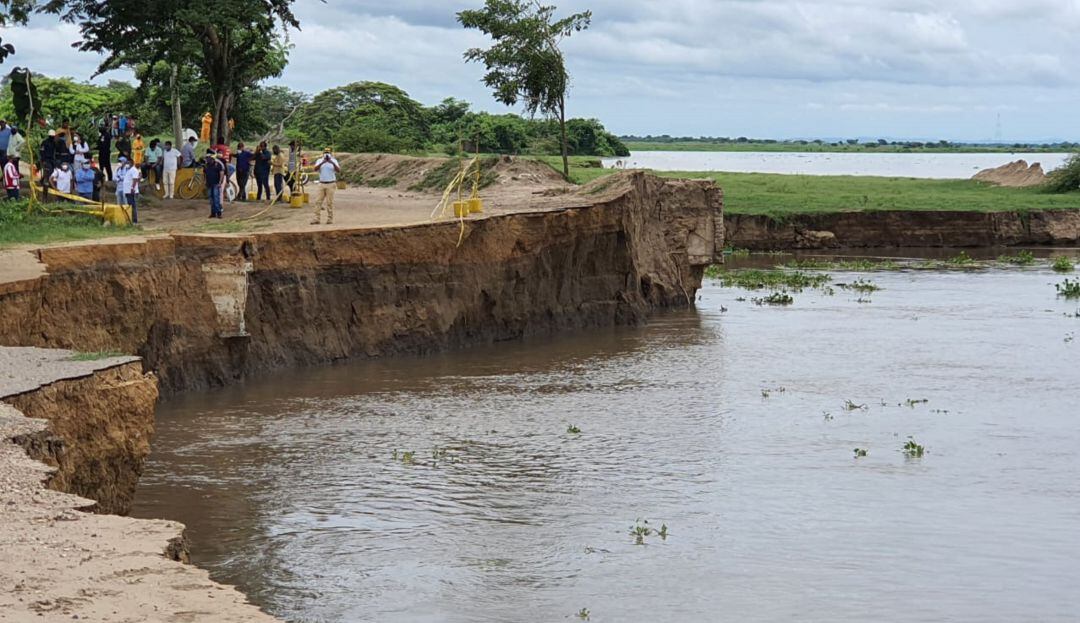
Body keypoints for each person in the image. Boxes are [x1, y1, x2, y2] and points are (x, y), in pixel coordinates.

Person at [311, 147, 340, 225]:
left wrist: (332, 162)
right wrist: (323, 162)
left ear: (330, 153)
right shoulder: (319, 160)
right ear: (323, 153)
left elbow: (338, 170)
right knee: (318, 201)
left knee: (329, 202)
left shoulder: (334, 161)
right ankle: (316, 219)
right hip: (321, 183)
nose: (327, 154)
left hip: (331, 183)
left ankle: (330, 219)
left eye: (328, 153)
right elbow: (315, 169)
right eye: (325, 153)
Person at [204, 150, 226, 218]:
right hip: (209, 183)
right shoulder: (206, 165)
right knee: (211, 199)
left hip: (216, 183)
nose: (207, 159)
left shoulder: (218, 164)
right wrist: (205, 181)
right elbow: (204, 174)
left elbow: (221, 173)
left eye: (208, 158)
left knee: (216, 198)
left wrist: (220, 182)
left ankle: (219, 213)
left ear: (212, 158)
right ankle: (213, 213)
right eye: (207, 158)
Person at [123, 158, 141, 223]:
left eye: (128, 163)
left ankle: (134, 220)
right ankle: (131, 219)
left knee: (132, 206)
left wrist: (132, 188)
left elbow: (135, 179)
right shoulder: (128, 170)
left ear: (131, 163)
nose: (127, 164)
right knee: (130, 205)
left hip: (131, 191)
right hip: (127, 191)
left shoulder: (134, 170)